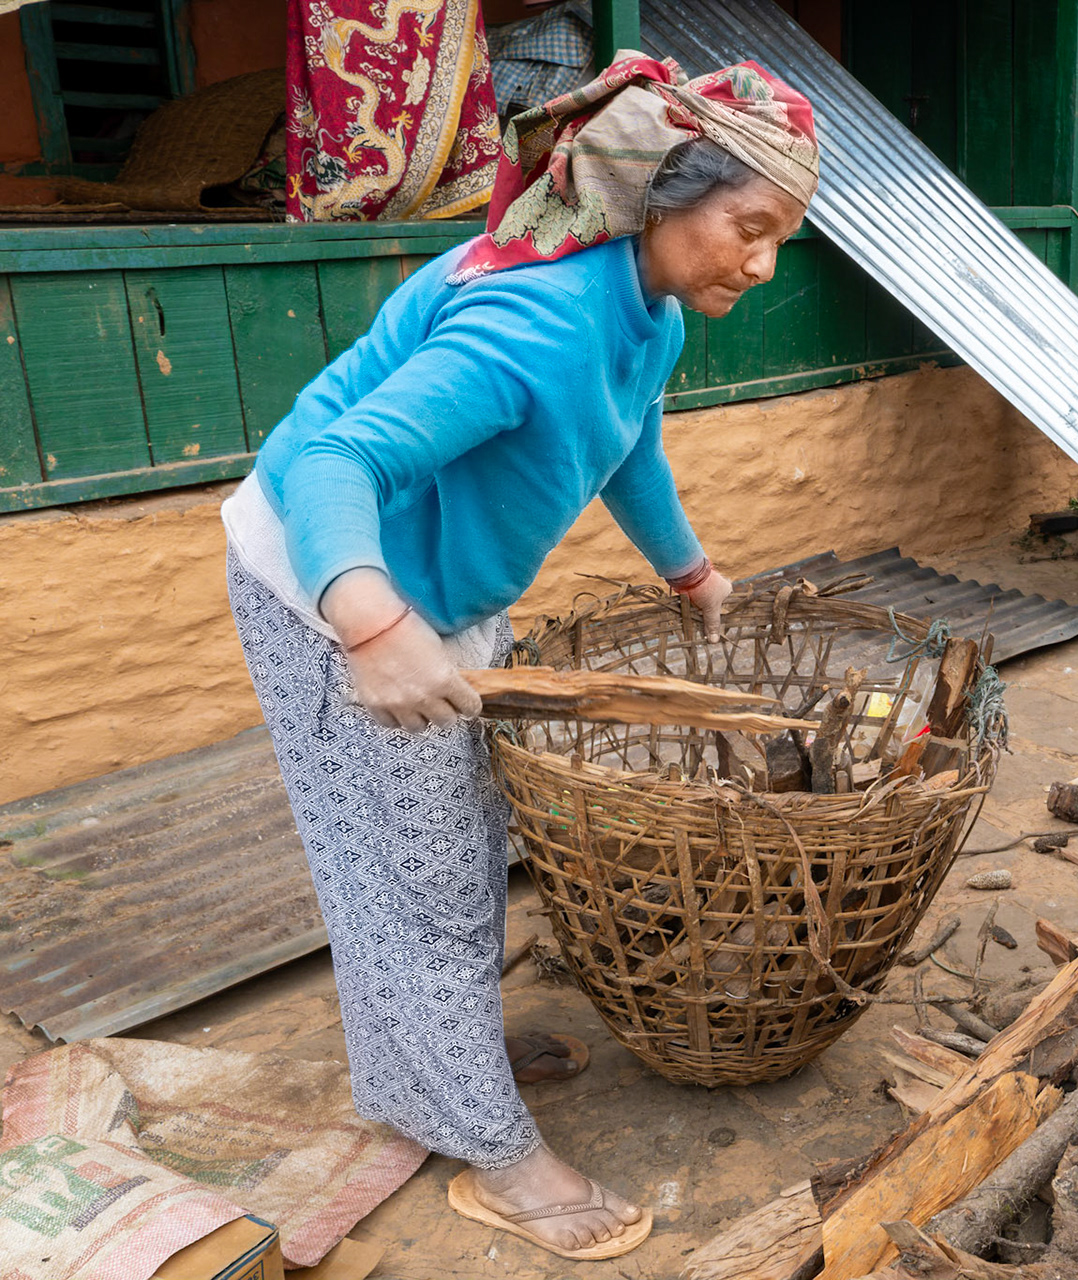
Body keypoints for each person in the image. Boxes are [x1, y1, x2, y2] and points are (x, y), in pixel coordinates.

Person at [222, 54, 817, 1262]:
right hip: (331, 579)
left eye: (778, 242)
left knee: (460, 847)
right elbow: (338, 463)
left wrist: (692, 572)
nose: (762, 266)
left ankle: (441, 1061)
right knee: (412, 875)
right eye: (749, 229)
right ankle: (492, 1150)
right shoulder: (536, 320)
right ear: (663, 194)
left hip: (427, 583)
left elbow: (627, 442)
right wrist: (375, 628)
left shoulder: (644, 306)